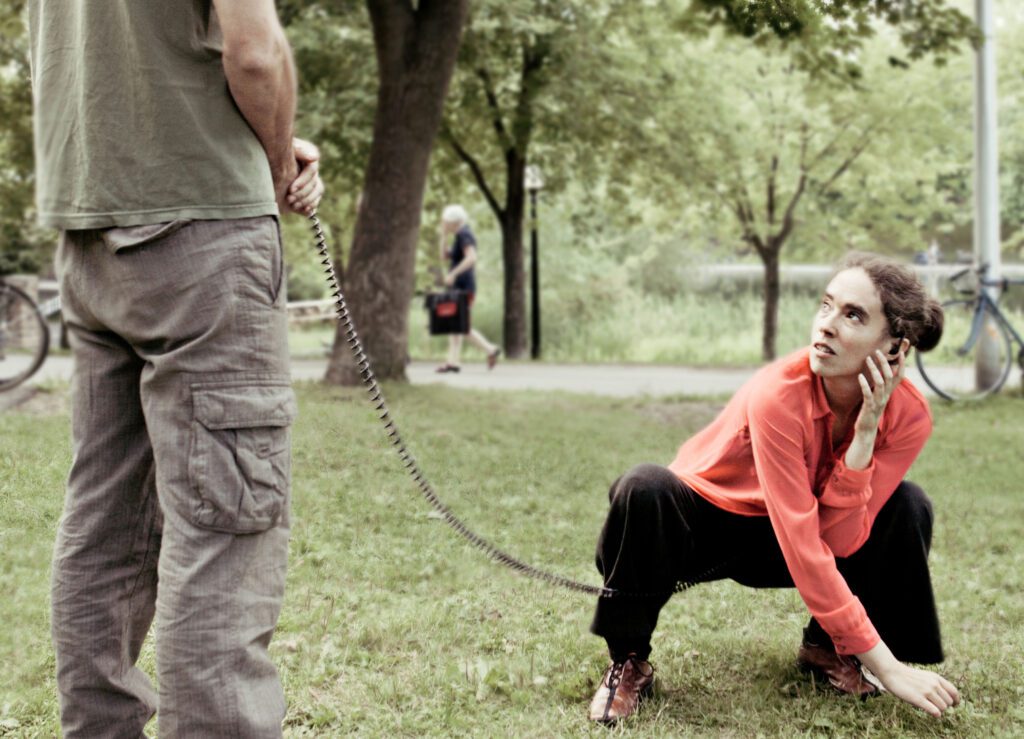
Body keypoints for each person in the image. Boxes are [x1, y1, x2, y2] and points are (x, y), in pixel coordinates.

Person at [27, 0, 324, 735]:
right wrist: (279, 159)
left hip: (89, 223)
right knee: (225, 523)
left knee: (104, 520)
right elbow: (255, 54)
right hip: (202, 223)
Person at [587, 252, 960, 724]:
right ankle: (628, 659)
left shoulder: (908, 417)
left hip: (797, 534)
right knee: (644, 485)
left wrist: (865, 437)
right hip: (712, 526)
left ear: (894, 348)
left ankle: (829, 646)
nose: (826, 325)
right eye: (826, 306)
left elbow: (842, 541)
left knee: (908, 503)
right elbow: (803, 545)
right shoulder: (779, 394)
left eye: (853, 315)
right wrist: (888, 667)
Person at [435, 205, 501, 373]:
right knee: (455, 325)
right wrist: (443, 235)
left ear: (453, 221)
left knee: (460, 325)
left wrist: (453, 274)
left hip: (464, 286)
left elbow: (472, 258)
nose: (443, 223)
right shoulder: (458, 236)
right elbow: (444, 256)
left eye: (445, 221)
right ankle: (453, 362)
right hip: (459, 286)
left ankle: (490, 349)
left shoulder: (465, 234)